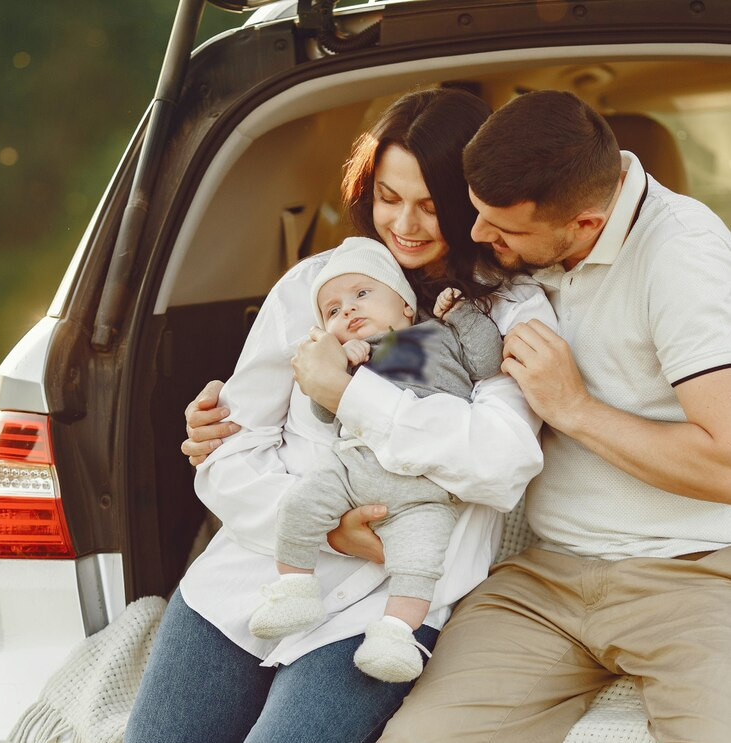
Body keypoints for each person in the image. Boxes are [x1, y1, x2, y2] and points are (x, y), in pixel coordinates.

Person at [125, 87, 556, 743]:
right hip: (257, 567)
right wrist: (323, 527)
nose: (405, 224)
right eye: (387, 197)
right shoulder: (314, 284)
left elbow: (498, 464)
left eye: (430, 205)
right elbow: (228, 456)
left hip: (390, 601)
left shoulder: (506, 313)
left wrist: (349, 393)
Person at [372, 89, 731, 743]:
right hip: (543, 578)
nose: (476, 236)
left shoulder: (684, 257)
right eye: (475, 214)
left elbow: (727, 462)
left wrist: (574, 408)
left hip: (695, 572)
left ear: (585, 225)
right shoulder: (505, 245)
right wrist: (259, 412)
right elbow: (398, 330)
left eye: (500, 229)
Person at [248, 237, 504, 686]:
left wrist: (461, 315)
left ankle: (394, 635)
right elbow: (325, 414)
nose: (347, 310)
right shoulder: (352, 358)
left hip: (425, 489)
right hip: (353, 469)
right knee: (297, 506)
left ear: (405, 305)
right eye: (332, 310)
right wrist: (333, 371)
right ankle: (295, 587)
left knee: (420, 563)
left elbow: (488, 362)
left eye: (362, 294)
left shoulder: (436, 337)